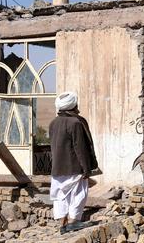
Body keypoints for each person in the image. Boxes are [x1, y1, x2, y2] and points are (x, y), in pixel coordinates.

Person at [49, 91, 98, 234]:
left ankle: (63, 224)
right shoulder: (75, 122)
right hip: (74, 167)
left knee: (60, 196)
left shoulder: (53, 123)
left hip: (57, 168)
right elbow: (80, 147)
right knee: (79, 194)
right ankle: (73, 222)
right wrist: (86, 168)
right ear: (73, 106)